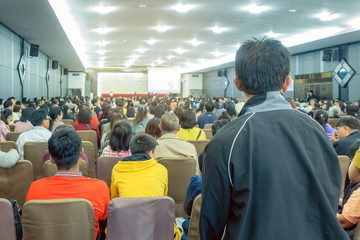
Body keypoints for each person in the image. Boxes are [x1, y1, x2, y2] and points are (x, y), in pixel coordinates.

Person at [199, 37, 348, 239]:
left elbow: (212, 222)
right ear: (287, 83)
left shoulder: (226, 141)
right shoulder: (317, 131)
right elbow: (330, 197)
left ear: (237, 83)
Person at [26, 128, 110, 239]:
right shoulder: (100, 188)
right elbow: (104, 219)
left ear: (51, 158)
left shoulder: (35, 188)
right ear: (81, 153)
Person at [110, 133, 167, 198]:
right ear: (150, 153)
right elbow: (163, 198)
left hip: (126, 208)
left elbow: (115, 199)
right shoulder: (161, 170)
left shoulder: (117, 169)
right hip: (154, 208)